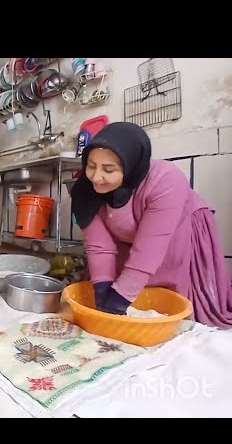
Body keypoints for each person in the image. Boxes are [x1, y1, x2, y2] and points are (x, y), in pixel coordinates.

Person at [71, 121, 232, 329]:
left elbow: (148, 250)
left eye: (108, 169)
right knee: (113, 293)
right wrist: (103, 293)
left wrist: (118, 302)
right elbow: (100, 246)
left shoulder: (166, 180)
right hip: (128, 238)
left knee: (181, 313)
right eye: (91, 166)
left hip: (175, 233)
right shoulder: (85, 191)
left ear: (130, 167)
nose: (96, 177)